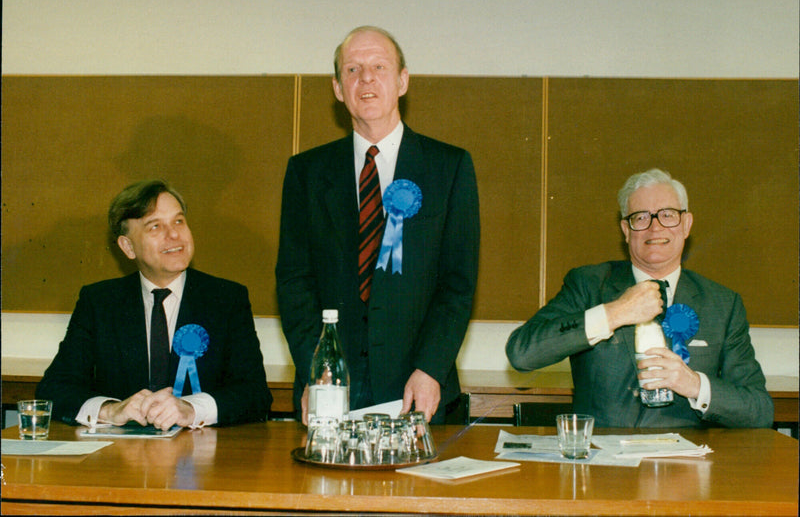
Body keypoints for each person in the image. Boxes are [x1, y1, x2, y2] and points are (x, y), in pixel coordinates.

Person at [276, 26, 480, 424]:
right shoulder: (306, 172)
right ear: (338, 88)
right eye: (352, 69)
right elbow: (293, 283)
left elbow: (457, 285)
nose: (365, 78)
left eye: (379, 67)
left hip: (418, 387)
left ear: (402, 81)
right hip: (332, 387)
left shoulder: (448, 167)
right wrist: (317, 370)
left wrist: (431, 368)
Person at [506, 168, 773, 428]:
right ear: (626, 229)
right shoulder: (588, 284)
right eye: (641, 217)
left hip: (686, 464)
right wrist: (614, 313)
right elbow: (521, 354)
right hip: (605, 464)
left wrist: (693, 385)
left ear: (686, 224)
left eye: (668, 215)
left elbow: (759, 410)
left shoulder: (723, 304)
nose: (655, 228)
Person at [37, 180, 272, 429]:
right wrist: (111, 410)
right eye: (155, 226)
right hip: (119, 460)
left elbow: (255, 394)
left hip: (202, 459)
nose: (174, 235)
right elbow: (54, 389)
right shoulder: (99, 302)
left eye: (179, 221)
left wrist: (191, 410)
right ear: (128, 247)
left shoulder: (226, 299)